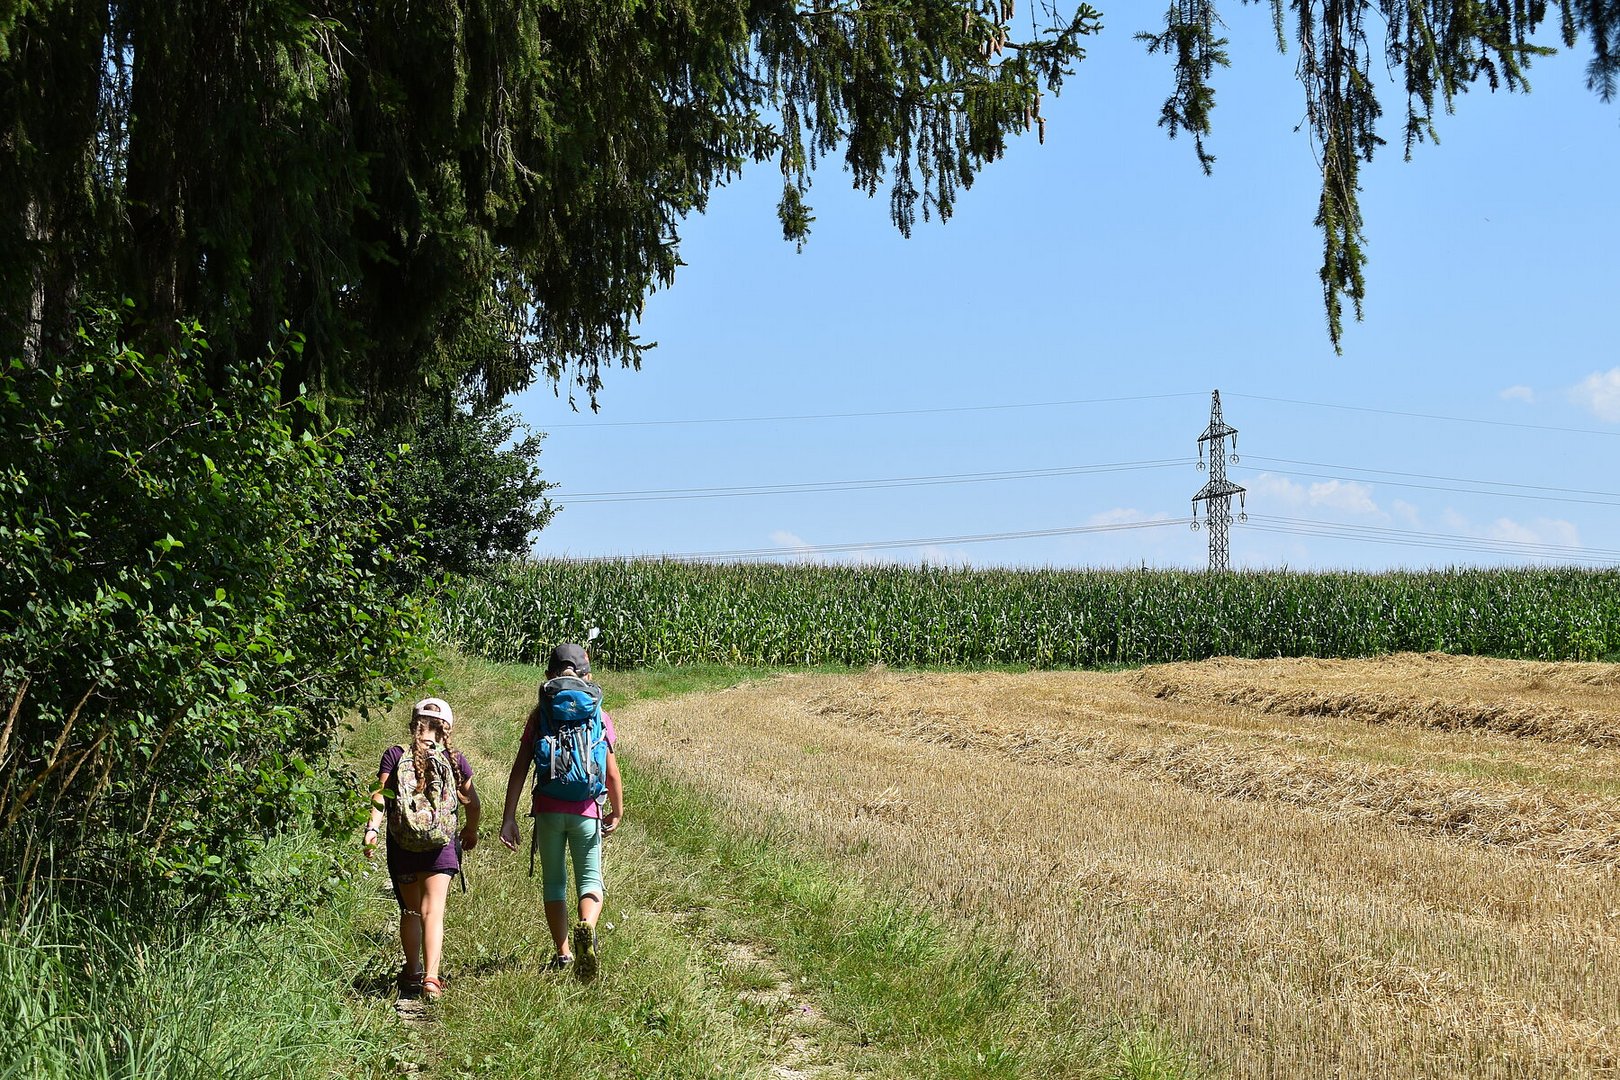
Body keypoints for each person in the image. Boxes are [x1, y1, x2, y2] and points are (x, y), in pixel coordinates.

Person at [500, 642, 623, 981]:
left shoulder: (540, 714)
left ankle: (564, 953)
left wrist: (509, 817)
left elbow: (520, 769)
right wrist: (616, 810)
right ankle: (587, 926)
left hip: (548, 810)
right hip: (586, 808)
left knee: (554, 882)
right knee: (590, 879)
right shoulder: (598, 714)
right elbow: (611, 773)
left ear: (547, 675)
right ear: (588, 675)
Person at [363, 696, 480, 1003]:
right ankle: (432, 978)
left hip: (403, 845)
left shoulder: (394, 754)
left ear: (413, 725)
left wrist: (372, 829)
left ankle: (413, 971)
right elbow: (473, 803)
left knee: (411, 910)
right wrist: (470, 830)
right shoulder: (454, 759)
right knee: (433, 911)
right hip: (440, 845)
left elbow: (380, 795)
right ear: (446, 729)